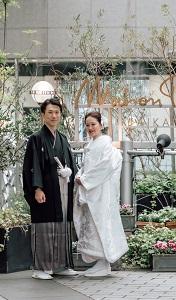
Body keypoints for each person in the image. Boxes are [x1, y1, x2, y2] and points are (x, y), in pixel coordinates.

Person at [22, 97, 78, 280]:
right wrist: (37, 188)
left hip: (63, 190)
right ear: (43, 115)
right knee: (44, 227)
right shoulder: (36, 139)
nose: (54, 116)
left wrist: (69, 171)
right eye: (50, 112)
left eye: (57, 112)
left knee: (62, 226)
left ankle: (61, 265)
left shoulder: (62, 138)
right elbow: (33, 166)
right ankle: (40, 267)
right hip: (46, 189)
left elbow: (71, 164)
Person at [74, 111, 128, 278]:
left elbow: (106, 166)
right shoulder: (91, 144)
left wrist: (85, 179)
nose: (90, 128)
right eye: (88, 125)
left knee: (101, 225)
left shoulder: (105, 144)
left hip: (100, 192)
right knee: (91, 225)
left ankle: (104, 263)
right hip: (92, 191)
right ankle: (100, 262)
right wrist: (79, 175)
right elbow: (86, 166)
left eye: (93, 124)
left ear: (101, 125)